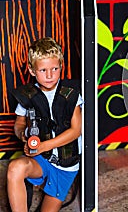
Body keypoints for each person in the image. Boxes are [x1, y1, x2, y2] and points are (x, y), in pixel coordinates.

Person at [7, 37, 83, 211]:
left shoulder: (70, 95)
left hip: (66, 165)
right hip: (41, 160)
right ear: (32, 71)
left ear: (61, 66)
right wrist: (24, 136)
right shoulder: (28, 96)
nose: (49, 75)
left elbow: (76, 130)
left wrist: (44, 145)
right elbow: (18, 124)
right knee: (15, 168)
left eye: (54, 69)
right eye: (43, 70)